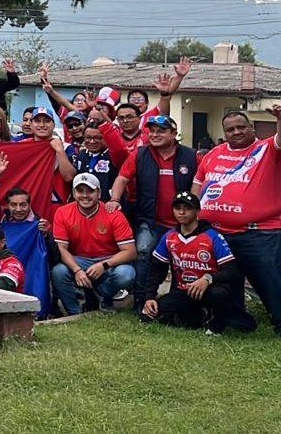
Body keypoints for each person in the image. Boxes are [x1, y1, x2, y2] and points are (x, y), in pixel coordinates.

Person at [194, 107, 281, 333]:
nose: (237, 132)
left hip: (257, 233)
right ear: (224, 132)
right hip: (216, 232)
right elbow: (197, 186)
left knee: (269, 281)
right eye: (230, 129)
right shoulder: (213, 154)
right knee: (225, 282)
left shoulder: (266, 148)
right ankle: (237, 320)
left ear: (251, 128)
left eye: (241, 127)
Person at [108, 114, 197, 313]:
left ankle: (177, 302)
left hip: (182, 222)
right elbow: (122, 178)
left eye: (161, 130)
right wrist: (114, 200)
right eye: (152, 131)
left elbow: (202, 181)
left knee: (180, 261)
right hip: (149, 220)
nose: (155, 134)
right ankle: (141, 301)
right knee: (143, 254)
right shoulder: (140, 154)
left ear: (174, 133)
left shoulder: (191, 156)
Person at [139, 192, 256, 335]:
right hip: (184, 292)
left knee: (223, 299)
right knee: (148, 315)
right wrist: (150, 297)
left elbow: (232, 272)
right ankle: (200, 316)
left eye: (187, 208)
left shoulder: (213, 236)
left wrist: (208, 279)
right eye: (178, 208)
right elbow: (157, 270)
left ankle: (215, 327)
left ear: (197, 211)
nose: (182, 212)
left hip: (211, 291)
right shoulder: (169, 237)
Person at [50, 173, 137, 315]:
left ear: (99, 193)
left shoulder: (113, 214)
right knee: (58, 271)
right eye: (80, 191)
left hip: (108, 258)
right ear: (73, 193)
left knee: (127, 274)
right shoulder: (63, 212)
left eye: (90, 191)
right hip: (79, 258)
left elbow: (130, 251)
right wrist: (77, 270)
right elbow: (61, 249)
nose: (85, 195)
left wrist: (104, 265)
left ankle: (103, 295)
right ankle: (75, 312)